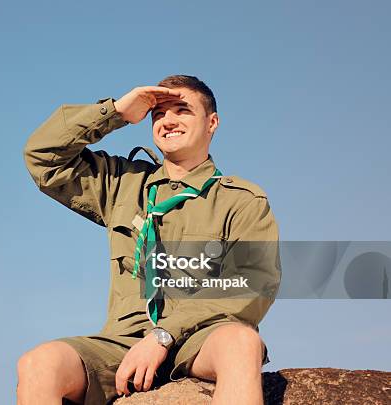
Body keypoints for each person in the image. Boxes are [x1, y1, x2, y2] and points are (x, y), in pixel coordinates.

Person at [19, 75, 280, 405]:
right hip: (124, 342)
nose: (168, 120)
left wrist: (164, 334)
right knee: (39, 363)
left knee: (241, 343)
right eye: (159, 114)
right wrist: (116, 111)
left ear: (212, 122)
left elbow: (252, 283)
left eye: (181, 110)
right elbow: (42, 157)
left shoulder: (241, 200)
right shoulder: (123, 184)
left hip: (202, 338)